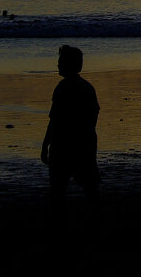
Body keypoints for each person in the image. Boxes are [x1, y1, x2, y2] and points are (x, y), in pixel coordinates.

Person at [41, 45, 100, 215]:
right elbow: (92, 118)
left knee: (61, 190)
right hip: (80, 144)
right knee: (88, 188)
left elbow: (54, 120)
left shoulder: (63, 88)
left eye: (60, 62)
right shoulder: (85, 88)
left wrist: (46, 144)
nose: (57, 65)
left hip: (66, 145)